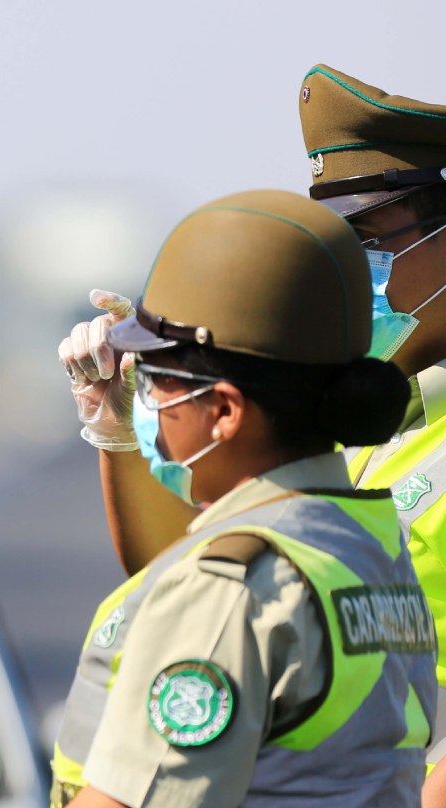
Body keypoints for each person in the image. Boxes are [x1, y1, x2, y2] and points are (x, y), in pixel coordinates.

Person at [61, 66, 446, 798]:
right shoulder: (338, 396)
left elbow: (226, 593)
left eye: (371, 237)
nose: (355, 269)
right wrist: (119, 434)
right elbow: (190, 571)